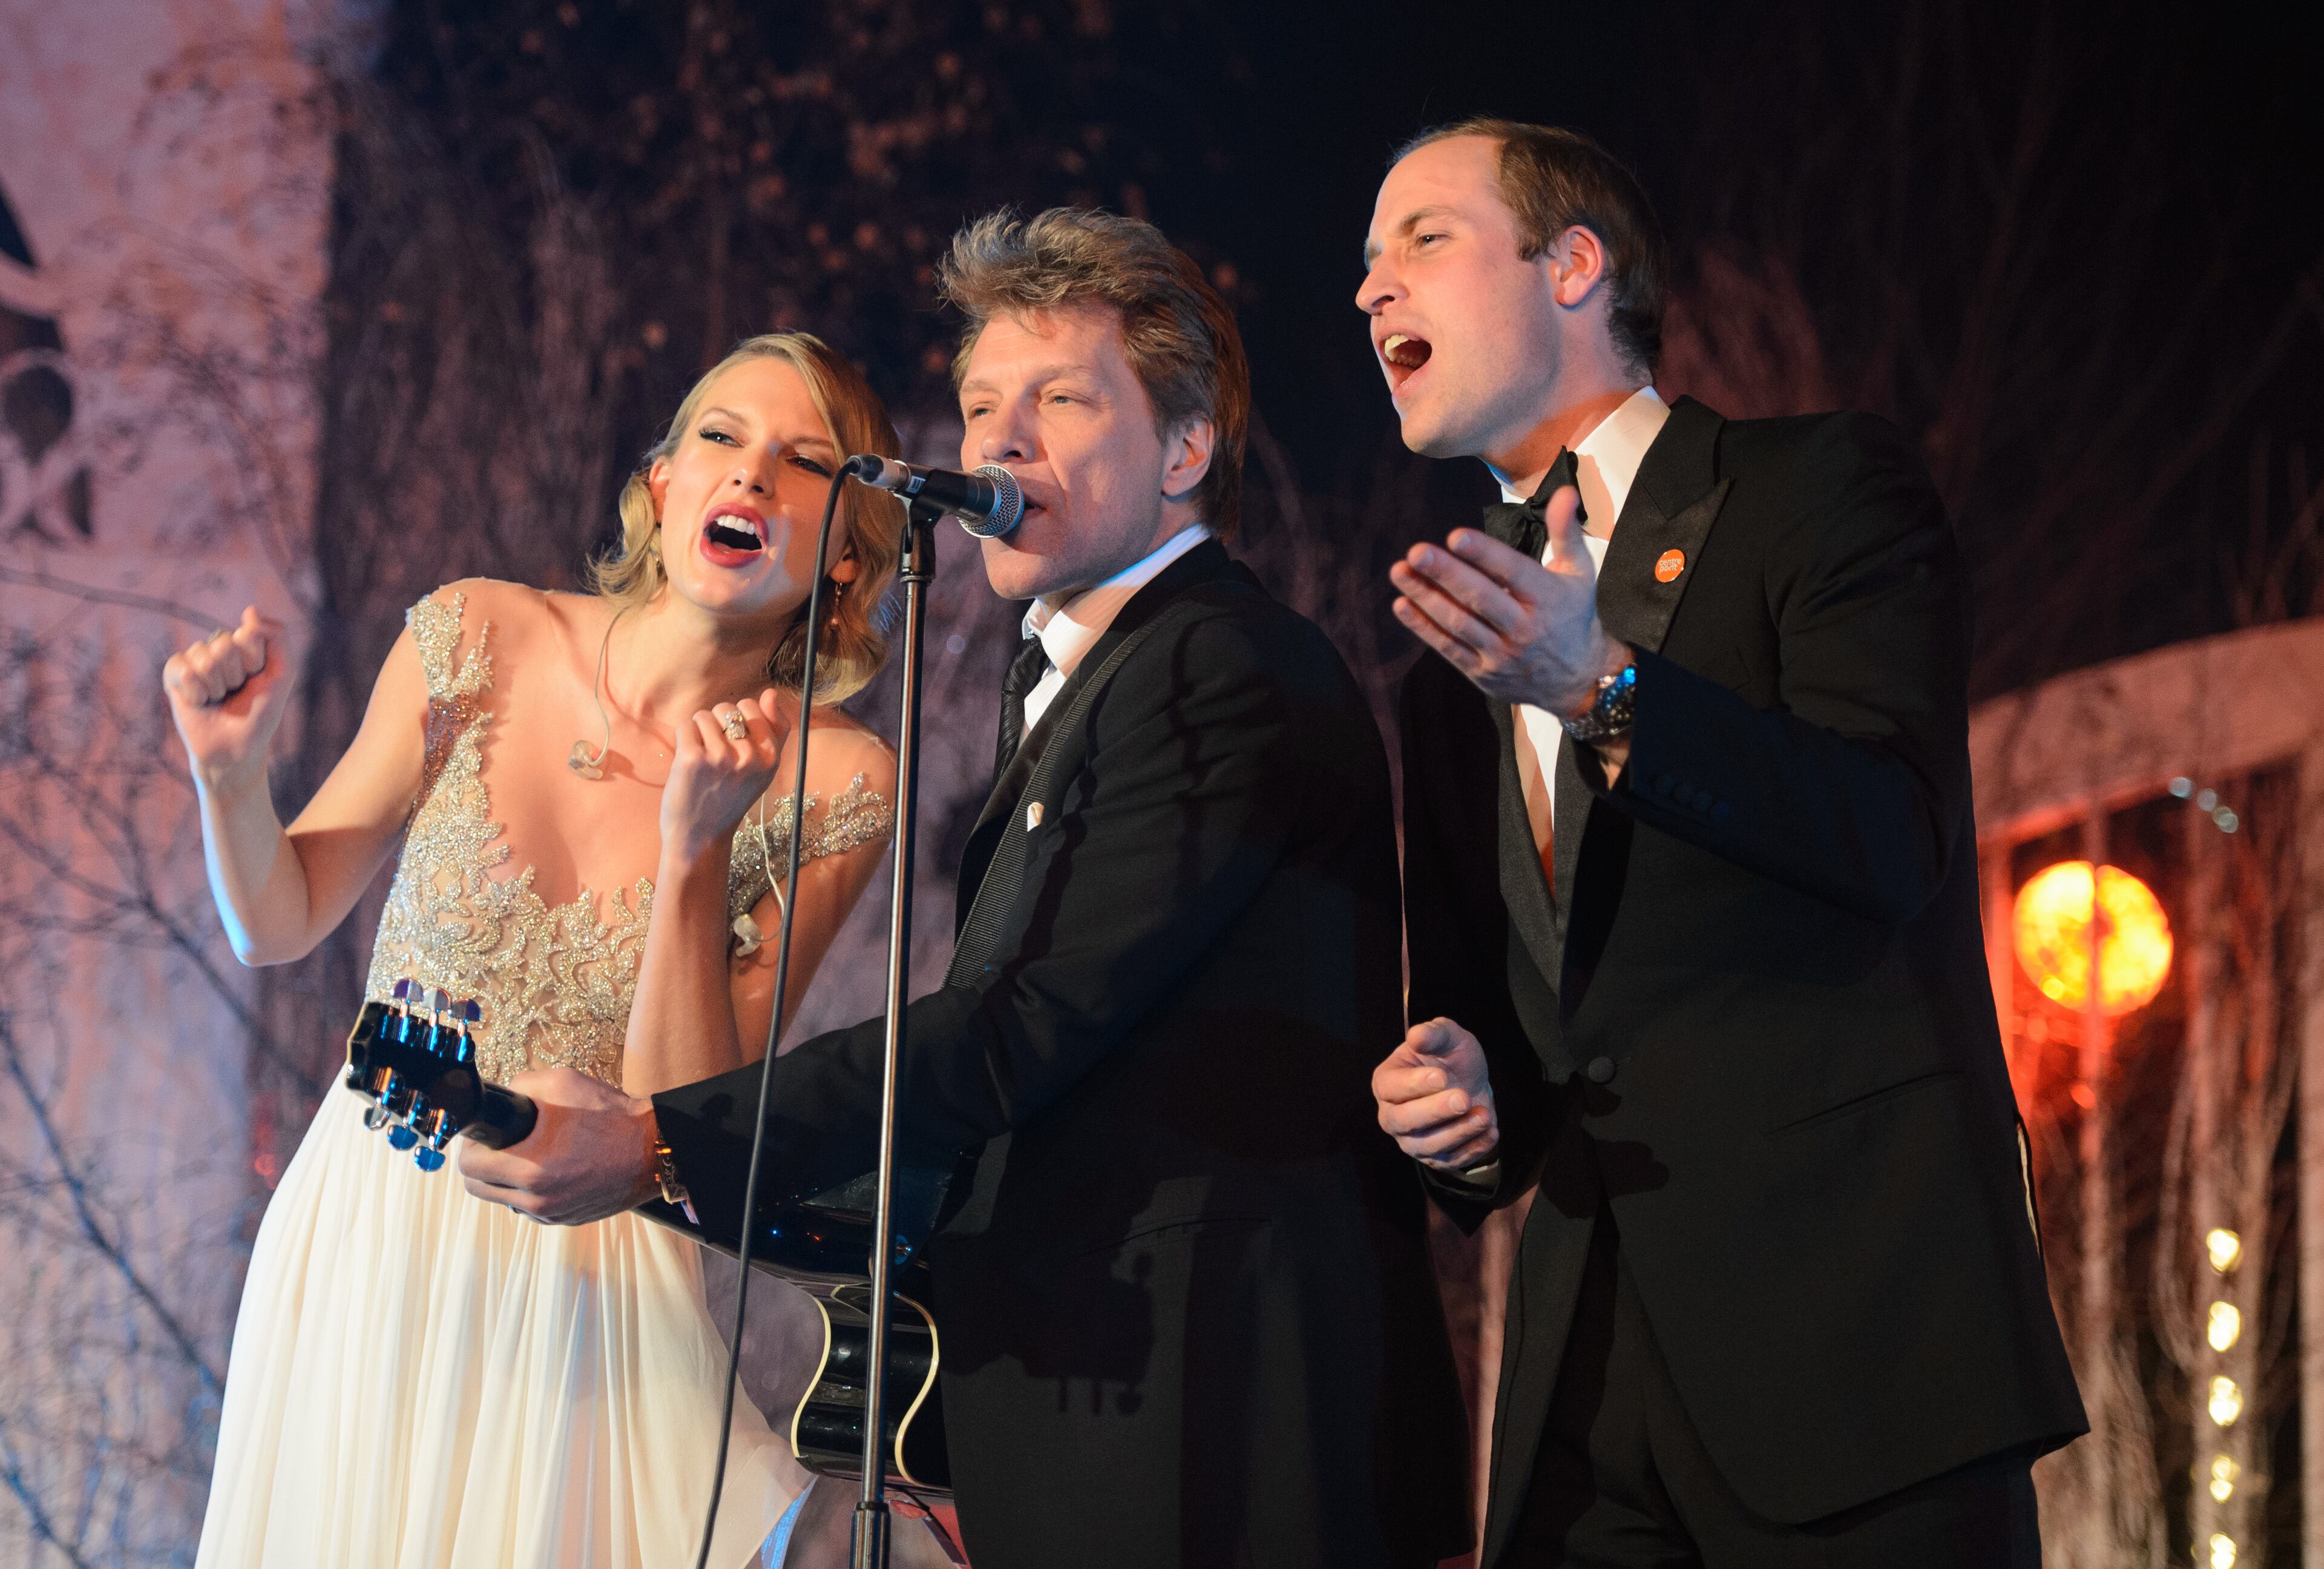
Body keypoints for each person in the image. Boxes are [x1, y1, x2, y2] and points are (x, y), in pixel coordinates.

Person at [458, 207, 1472, 1569]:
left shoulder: (1217, 667)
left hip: (1212, 1425)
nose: (997, 439)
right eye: (982, 401)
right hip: (1109, 1398)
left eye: (1060, 399)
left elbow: (1021, 1026)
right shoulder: (1087, 672)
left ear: (1185, 450)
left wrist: (661, 1140)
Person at [1361, 120, 2086, 1566]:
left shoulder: (1816, 490)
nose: (1372, 291)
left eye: (1421, 241)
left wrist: (1603, 693)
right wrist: (1451, 1100)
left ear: (1574, 265)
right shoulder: (1442, 669)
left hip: (1855, 1353)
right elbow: (1499, 1035)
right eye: (1362, 267)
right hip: (1580, 1395)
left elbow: (1891, 834)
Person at [173, 331, 916, 1568]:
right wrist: (227, 781)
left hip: (597, 1283)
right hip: (370, 1234)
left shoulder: (839, 778)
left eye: (803, 465)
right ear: (664, 485)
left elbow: (691, 1112)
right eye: (721, 441)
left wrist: (692, 853)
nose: (750, 480)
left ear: (847, 550)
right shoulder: (480, 634)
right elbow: (278, 918)